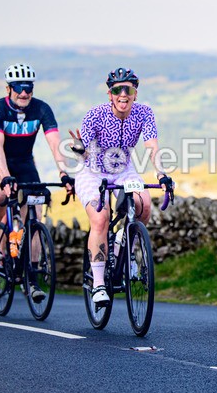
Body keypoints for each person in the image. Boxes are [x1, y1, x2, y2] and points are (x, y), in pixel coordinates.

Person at [70, 68, 173, 307]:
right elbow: (85, 150)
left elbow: (152, 148)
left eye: (129, 89)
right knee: (100, 217)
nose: (123, 94)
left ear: (135, 93)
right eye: (118, 90)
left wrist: (161, 173)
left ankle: (122, 248)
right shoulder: (94, 115)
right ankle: (98, 284)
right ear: (110, 94)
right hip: (92, 169)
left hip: (123, 169)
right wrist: (78, 149)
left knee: (144, 206)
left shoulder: (144, 113)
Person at [0, 63, 74, 302]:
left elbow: (55, 144)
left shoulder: (41, 109)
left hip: (24, 162)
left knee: (34, 215)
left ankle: (31, 279)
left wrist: (64, 173)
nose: (24, 93)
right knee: (1, 196)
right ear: (9, 88)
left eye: (28, 88)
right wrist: (4, 178)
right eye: (19, 87)